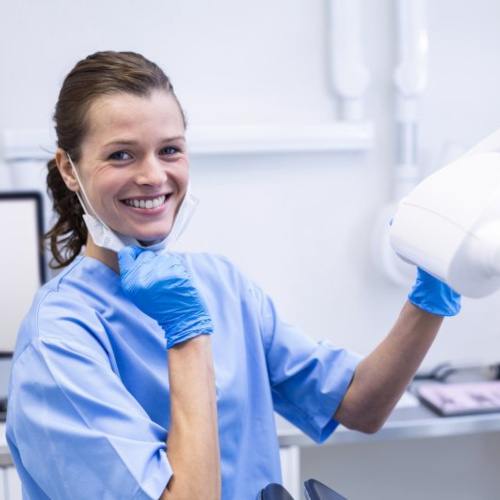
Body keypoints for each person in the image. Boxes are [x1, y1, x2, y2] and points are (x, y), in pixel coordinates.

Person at [6, 51, 460, 500]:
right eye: (122, 155)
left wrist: (431, 293)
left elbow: (361, 405)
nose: (153, 175)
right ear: (70, 168)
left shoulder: (220, 283)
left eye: (170, 150)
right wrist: (188, 334)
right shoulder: (58, 341)